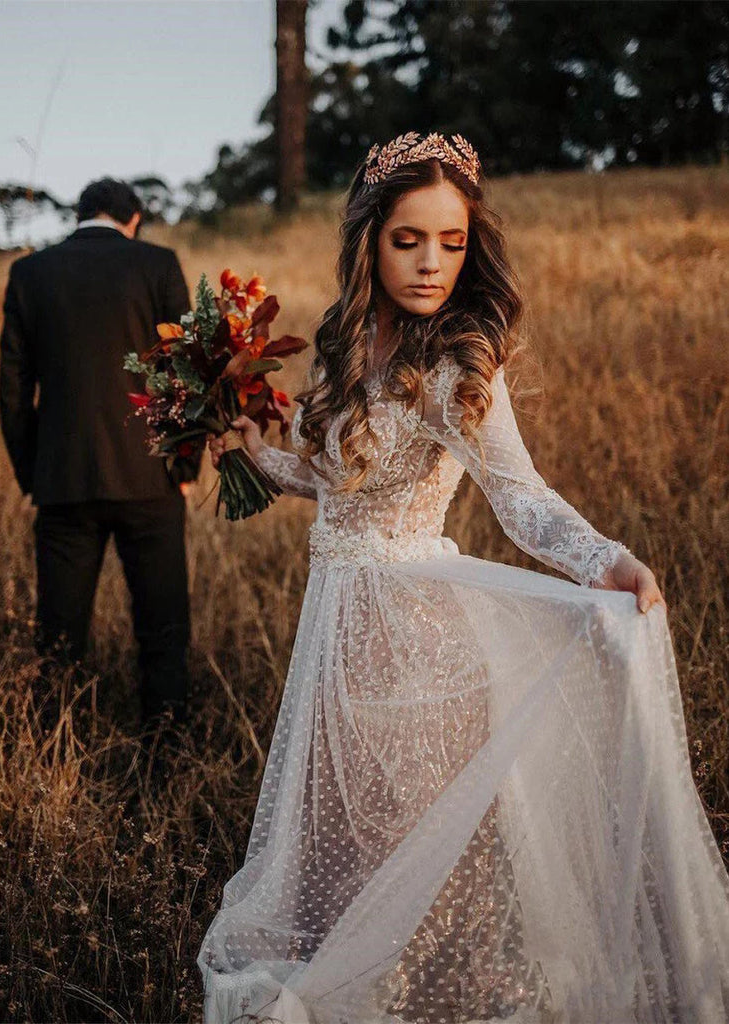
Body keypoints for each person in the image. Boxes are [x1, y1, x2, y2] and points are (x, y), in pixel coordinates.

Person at [197, 133, 729, 1023]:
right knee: (348, 838)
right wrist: (260, 455)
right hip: (338, 631)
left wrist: (606, 559)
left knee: (417, 850)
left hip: (417, 642)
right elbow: (334, 486)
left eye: (451, 242)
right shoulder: (343, 342)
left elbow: (521, 498)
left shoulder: (455, 366)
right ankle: (371, 992)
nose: (431, 263)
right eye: (408, 240)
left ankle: (443, 1001)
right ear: (370, 241)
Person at [0, 177, 200, 736]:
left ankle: (53, 747)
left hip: (62, 480)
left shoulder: (30, 273)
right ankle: (166, 745)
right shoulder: (158, 264)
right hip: (152, 477)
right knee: (162, 629)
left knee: (59, 639)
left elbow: (13, 389)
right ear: (131, 219)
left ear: (81, 215)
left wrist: (33, 474)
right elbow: (188, 371)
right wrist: (184, 464)